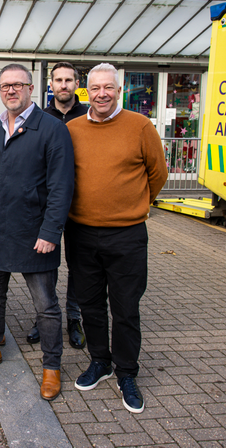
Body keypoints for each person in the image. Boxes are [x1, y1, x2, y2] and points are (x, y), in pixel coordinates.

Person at [0, 63, 74, 402]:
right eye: (5, 86)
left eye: (17, 85)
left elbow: (61, 186)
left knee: (46, 306)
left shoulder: (52, 130)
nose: (10, 90)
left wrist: (51, 231)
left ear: (30, 88)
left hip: (35, 235)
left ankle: (52, 367)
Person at [67, 63, 167, 414]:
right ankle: (101, 362)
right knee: (90, 305)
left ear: (119, 90)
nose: (102, 94)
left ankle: (126, 372)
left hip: (127, 235)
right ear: (87, 92)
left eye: (108, 88)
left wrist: (136, 203)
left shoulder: (140, 126)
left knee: (125, 308)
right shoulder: (73, 128)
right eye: (95, 89)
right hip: (80, 233)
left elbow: (158, 172)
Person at [27, 61, 88, 348]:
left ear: (77, 84)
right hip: (45, 205)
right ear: (50, 84)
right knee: (46, 264)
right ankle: (45, 315)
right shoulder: (39, 117)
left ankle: (74, 317)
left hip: (80, 206)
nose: (63, 85)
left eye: (69, 80)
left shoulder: (89, 116)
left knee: (78, 266)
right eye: (58, 80)